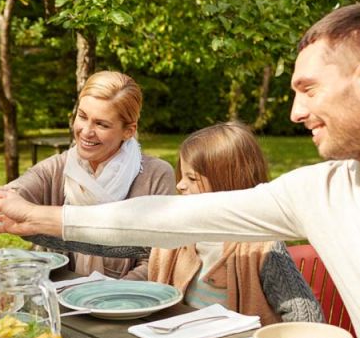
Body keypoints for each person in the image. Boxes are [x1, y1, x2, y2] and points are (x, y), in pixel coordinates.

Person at [0, 3, 360, 338]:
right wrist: (34, 217)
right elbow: (167, 219)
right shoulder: (318, 191)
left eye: (308, 89)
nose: (295, 112)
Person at [124, 122, 323, 325]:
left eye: (191, 178)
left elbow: (308, 317)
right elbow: (125, 246)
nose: (180, 185)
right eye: (182, 175)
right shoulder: (176, 232)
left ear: (227, 184)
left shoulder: (263, 247)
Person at [7, 71, 175, 278]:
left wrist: (103, 298)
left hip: (127, 302)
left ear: (128, 131)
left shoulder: (156, 175)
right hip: (61, 296)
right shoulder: (58, 167)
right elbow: (13, 194)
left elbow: (156, 261)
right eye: (82, 116)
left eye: (101, 124)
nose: (86, 131)